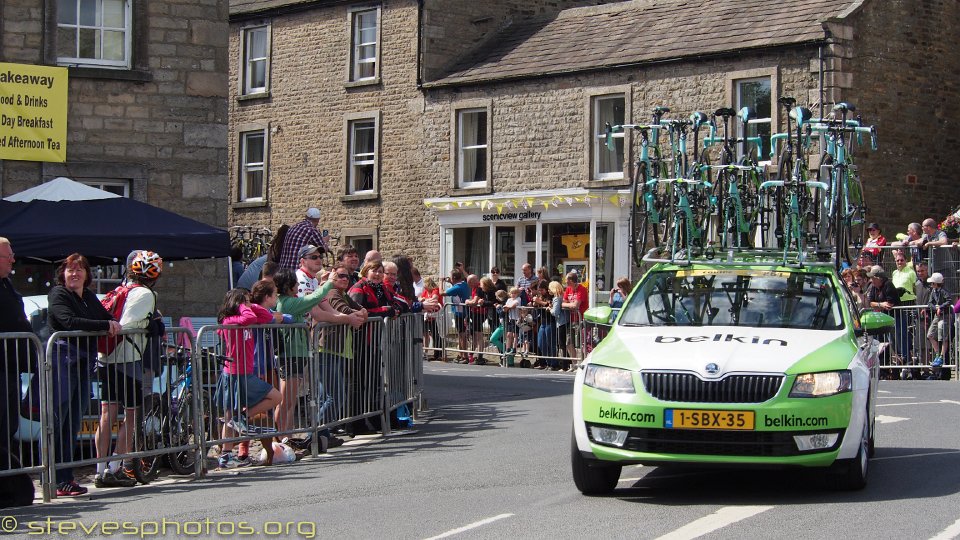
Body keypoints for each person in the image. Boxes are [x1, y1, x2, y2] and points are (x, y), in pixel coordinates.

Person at [47, 254, 121, 496]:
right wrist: (102, 326)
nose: (74, 274)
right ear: (63, 273)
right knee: (58, 422)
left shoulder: (88, 296)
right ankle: (54, 479)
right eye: (70, 270)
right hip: (61, 363)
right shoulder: (58, 294)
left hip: (81, 365)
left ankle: (66, 478)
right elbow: (68, 322)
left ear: (87, 274)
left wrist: (109, 323)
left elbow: (106, 317)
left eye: (79, 270)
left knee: (72, 423)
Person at [94, 250, 162, 488]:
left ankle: (100, 468)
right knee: (130, 416)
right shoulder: (145, 294)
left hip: (105, 359)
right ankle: (115, 468)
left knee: (106, 415)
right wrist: (150, 322)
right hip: (127, 359)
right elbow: (129, 324)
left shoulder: (118, 290)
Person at [214, 289, 283, 468]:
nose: (248, 306)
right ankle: (226, 456)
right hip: (234, 373)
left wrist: (251, 305)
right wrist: (244, 307)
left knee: (274, 398)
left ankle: (243, 417)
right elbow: (249, 319)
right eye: (244, 302)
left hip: (246, 372)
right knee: (230, 413)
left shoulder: (248, 313)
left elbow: (267, 317)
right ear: (235, 303)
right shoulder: (229, 320)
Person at [273, 270, 336, 438]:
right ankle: (280, 438)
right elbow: (312, 299)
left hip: (296, 355)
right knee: (286, 401)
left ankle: (288, 437)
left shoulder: (289, 301)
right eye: (295, 283)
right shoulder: (287, 303)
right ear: (289, 286)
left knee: (291, 401)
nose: (298, 285)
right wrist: (329, 283)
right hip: (291, 355)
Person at [0, 238, 35, 506]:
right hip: (1, 366)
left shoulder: (6, 284)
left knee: (7, 428)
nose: (13, 259)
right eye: (8, 255)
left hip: (10, 368)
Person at [440, 269, 471, 363]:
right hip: (461, 312)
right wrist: (451, 283)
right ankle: (462, 355)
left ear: (453, 277)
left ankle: (464, 356)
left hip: (460, 313)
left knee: (462, 335)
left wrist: (440, 282)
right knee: (461, 334)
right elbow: (458, 291)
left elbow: (442, 293)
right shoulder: (464, 284)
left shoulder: (458, 287)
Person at [562, 271, 589, 368]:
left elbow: (576, 305)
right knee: (569, 342)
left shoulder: (582, 289)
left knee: (581, 343)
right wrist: (571, 305)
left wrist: (570, 305)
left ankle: (583, 363)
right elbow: (563, 303)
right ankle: (574, 364)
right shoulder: (568, 289)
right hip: (571, 319)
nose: (566, 283)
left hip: (581, 319)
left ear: (571, 281)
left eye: (567, 281)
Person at [926, 273, 952, 371]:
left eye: (932, 283)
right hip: (937, 316)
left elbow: (949, 301)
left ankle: (941, 357)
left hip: (945, 315)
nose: (931, 285)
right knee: (930, 335)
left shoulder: (944, 291)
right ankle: (937, 354)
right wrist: (935, 308)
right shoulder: (933, 291)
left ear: (936, 283)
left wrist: (941, 307)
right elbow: (930, 303)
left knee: (943, 336)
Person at [420, 277, 443, 361]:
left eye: (424, 285)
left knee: (436, 335)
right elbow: (420, 298)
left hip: (436, 315)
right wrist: (424, 300)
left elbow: (435, 299)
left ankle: (439, 353)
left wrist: (425, 300)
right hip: (429, 316)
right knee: (432, 335)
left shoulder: (435, 290)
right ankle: (435, 353)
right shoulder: (426, 291)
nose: (423, 287)